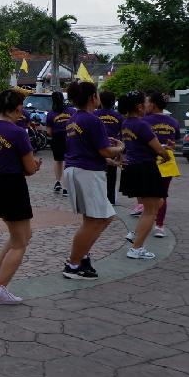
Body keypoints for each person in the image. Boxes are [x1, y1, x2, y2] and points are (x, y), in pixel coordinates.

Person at [0, 90, 42, 305]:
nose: (21, 114)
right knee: (20, 242)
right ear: (16, 109)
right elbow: (29, 168)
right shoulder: (18, 132)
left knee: (22, 234)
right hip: (12, 186)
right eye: (20, 109)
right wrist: (35, 166)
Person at [61, 80, 125, 280]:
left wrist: (108, 160)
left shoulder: (73, 119)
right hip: (87, 173)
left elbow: (85, 149)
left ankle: (83, 257)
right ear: (92, 97)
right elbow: (105, 149)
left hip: (76, 169)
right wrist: (120, 148)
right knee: (99, 219)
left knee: (94, 218)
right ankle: (73, 264)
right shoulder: (93, 120)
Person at [118, 91, 172, 260]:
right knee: (151, 210)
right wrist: (166, 154)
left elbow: (139, 144)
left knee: (157, 203)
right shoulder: (142, 125)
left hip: (133, 168)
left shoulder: (126, 123)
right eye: (146, 102)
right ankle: (136, 248)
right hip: (145, 169)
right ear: (139, 106)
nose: (148, 105)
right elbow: (157, 148)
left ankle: (136, 234)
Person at [143, 91, 181, 239]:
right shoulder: (174, 122)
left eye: (147, 102)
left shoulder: (144, 121)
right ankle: (159, 225)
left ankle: (147, 220)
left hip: (150, 159)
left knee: (148, 194)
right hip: (168, 160)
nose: (145, 105)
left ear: (153, 105)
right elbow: (173, 142)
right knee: (163, 194)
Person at [94, 90, 122, 205]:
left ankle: (99, 197)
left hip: (98, 147)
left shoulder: (95, 115)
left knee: (97, 173)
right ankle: (110, 199)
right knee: (111, 175)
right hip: (113, 147)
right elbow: (121, 133)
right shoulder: (118, 116)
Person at [48, 91, 76, 195]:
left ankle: (58, 182)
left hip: (57, 138)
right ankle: (66, 186)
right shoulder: (72, 111)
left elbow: (49, 131)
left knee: (57, 160)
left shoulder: (51, 114)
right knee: (68, 161)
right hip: (70, 137)